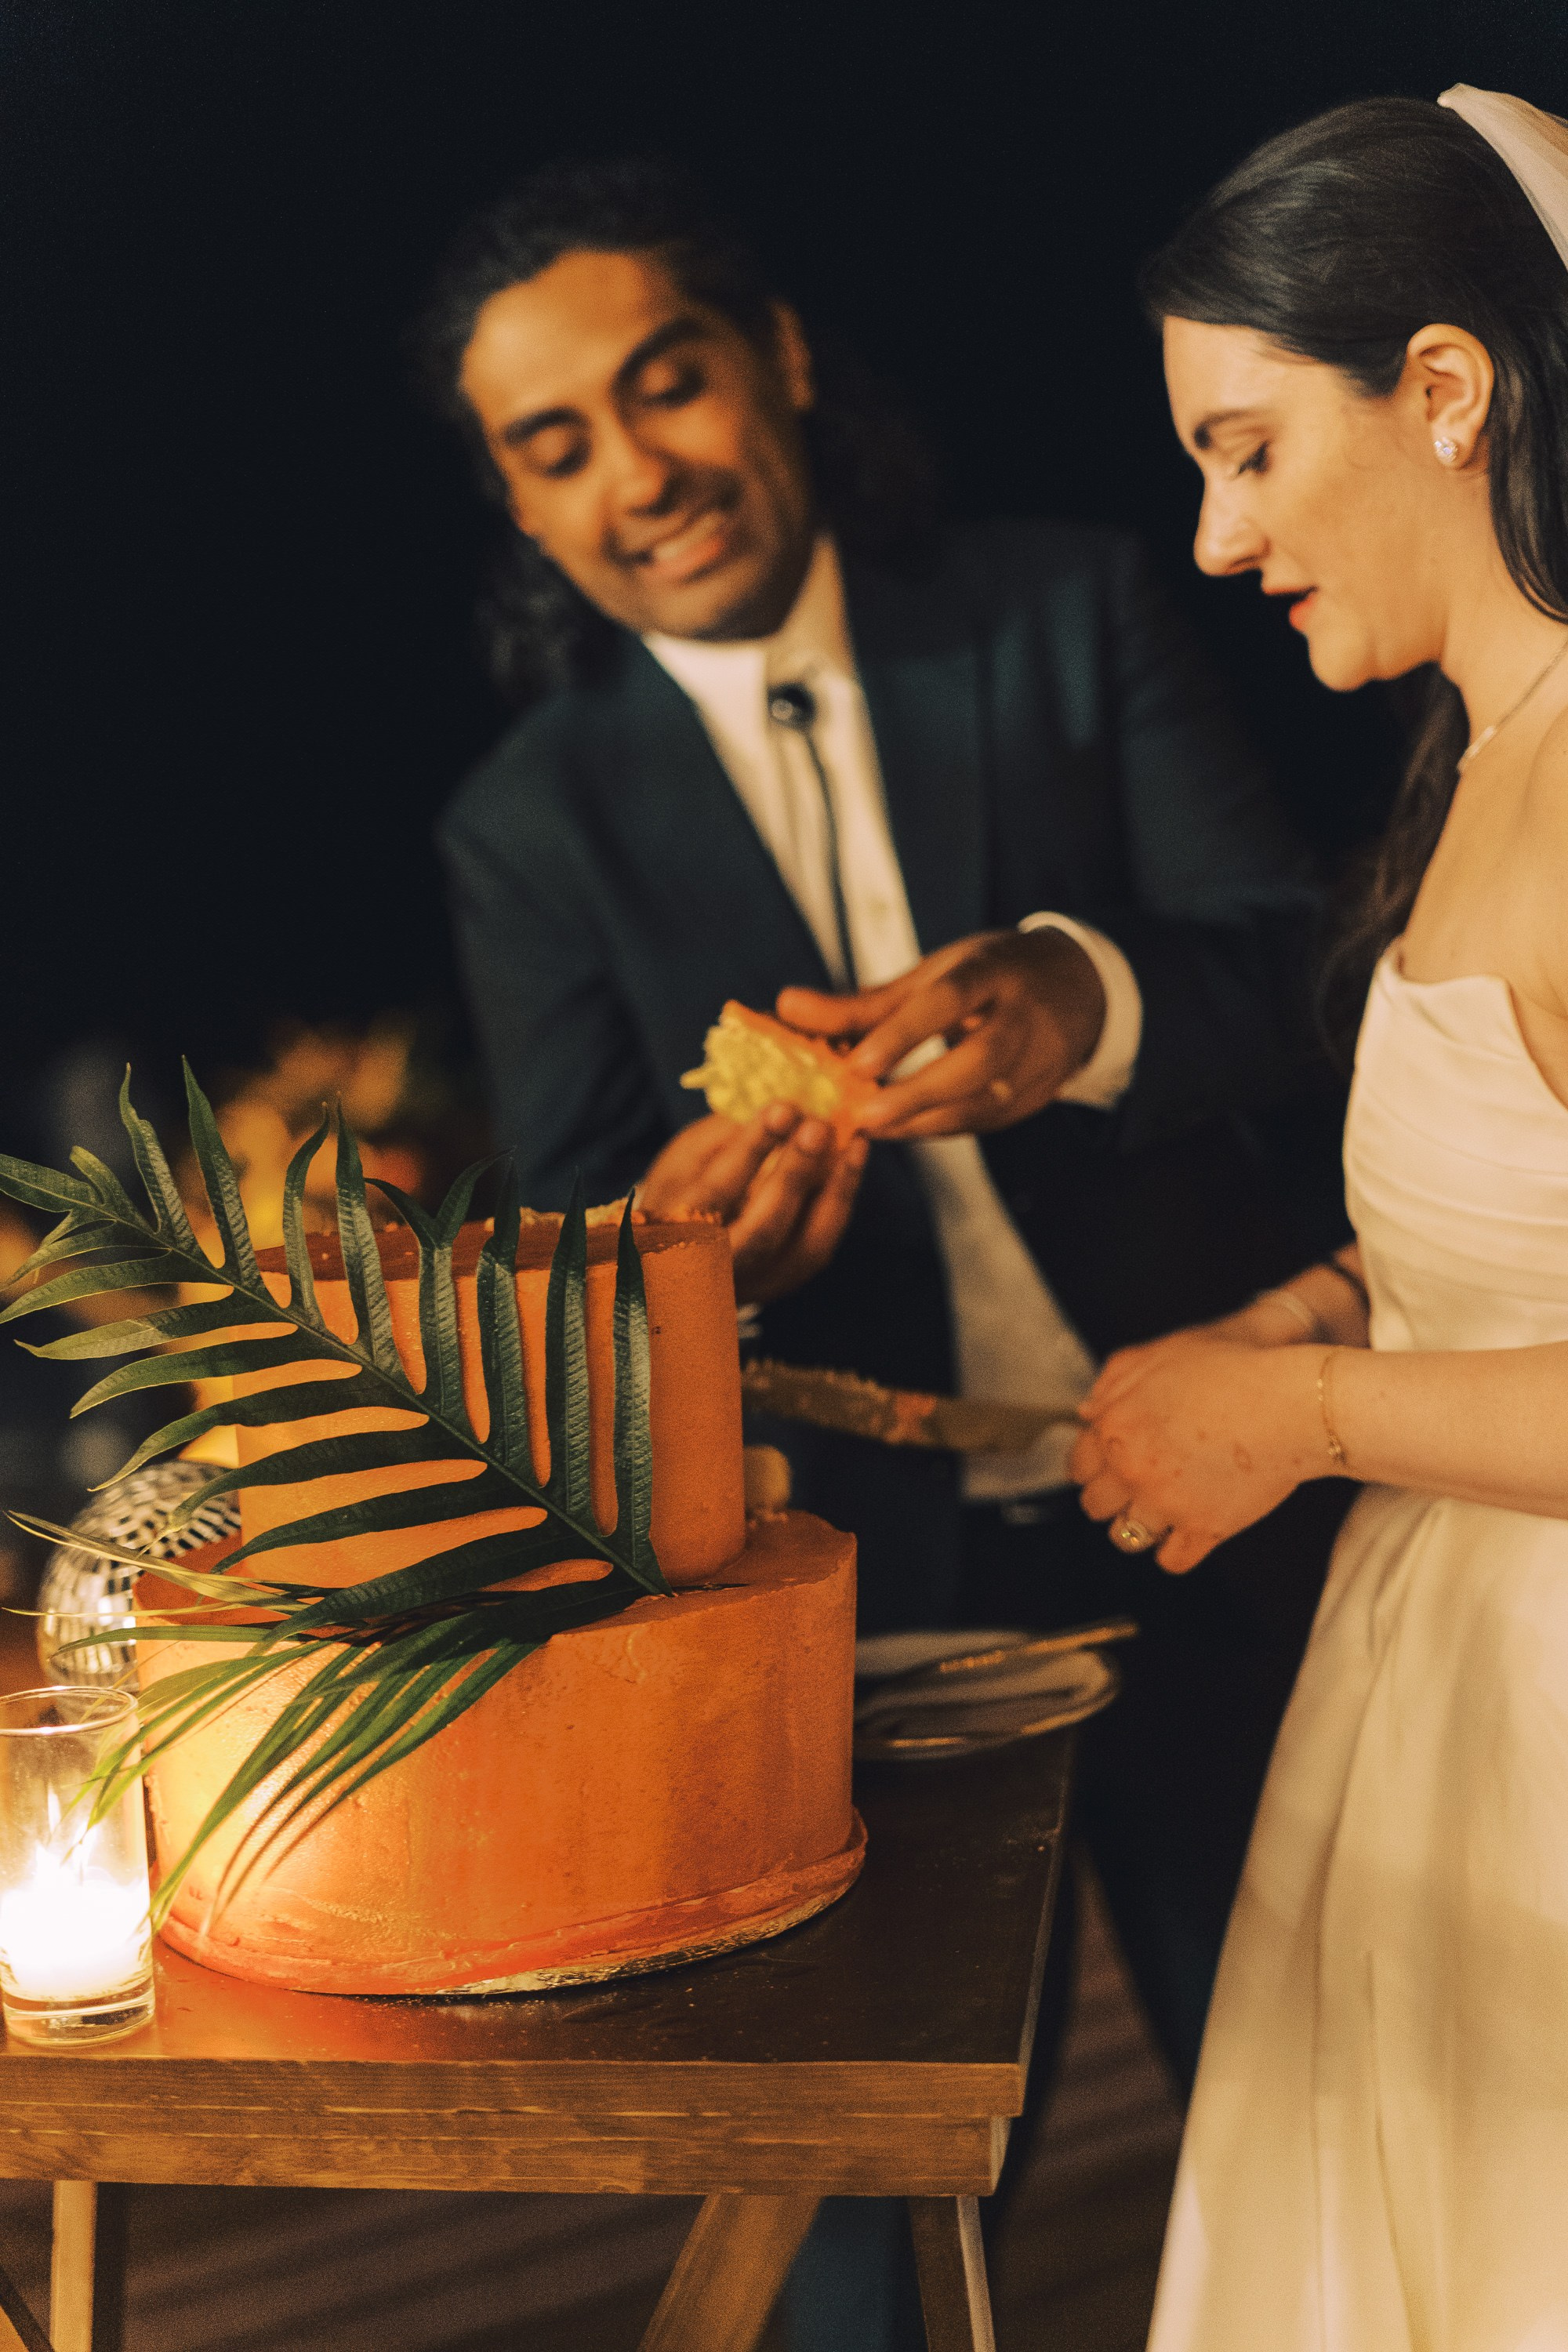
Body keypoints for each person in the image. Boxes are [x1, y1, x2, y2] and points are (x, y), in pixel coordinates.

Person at [423, 158, 1347, 2342]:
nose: (640, 472)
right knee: (862, 2232)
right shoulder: (526, 828)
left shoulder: (1067, 606)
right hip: (855, 1623)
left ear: (783, 364)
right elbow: (569, 1242)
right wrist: (679, 1256)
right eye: (559, 446)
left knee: (1296, 2106)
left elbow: (1300, 969)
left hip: (1219, 1502)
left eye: (672, 385)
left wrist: (1079, 1002)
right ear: (522, 507)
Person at [1071, 85, 1568, 2349]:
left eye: (1249, 447)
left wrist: (1314, 1420)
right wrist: (1310, 1309)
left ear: (1448, 391)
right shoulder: (1486, 751)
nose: (1213, 537)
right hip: (1440, 1676)